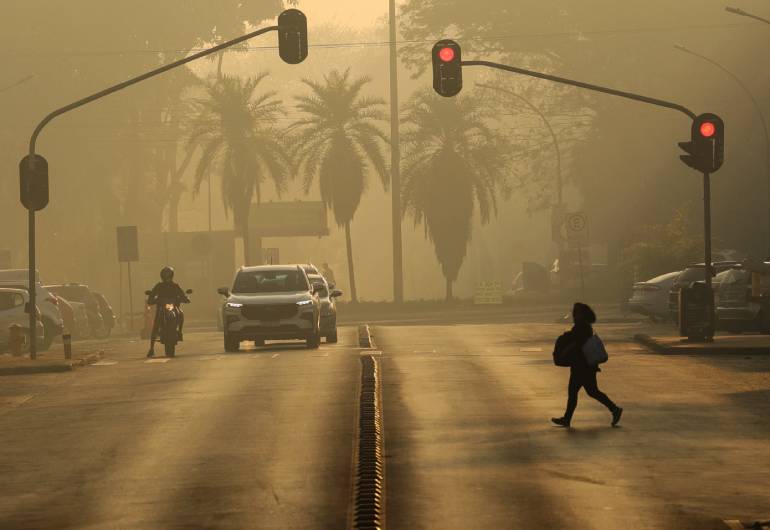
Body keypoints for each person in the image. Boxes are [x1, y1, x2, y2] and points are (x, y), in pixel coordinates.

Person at [551, 302, 623, 428]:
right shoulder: (585, 326)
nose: (574, 315)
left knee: (578, 392)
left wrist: (565, 340)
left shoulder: (582, 327)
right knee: (590, 391)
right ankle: (614, 409)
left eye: (576, 312)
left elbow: (577, 342)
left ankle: (614, 409)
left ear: (581, 314)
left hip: (582, 365)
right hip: (584, 365)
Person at [146, 266, 189, 358]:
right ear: (162, 276)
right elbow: (151, 298)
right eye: (165, 276)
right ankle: (151, 348)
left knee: (181, 314)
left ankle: (180, 332)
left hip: (174, 307)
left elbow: (183, 295)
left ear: (172, 276)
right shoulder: (159, 286)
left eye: (168, 275)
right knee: (156, 325)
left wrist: (185, 298)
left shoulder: (175, 286)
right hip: (162, 308)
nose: (167, 278)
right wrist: (155, 300)